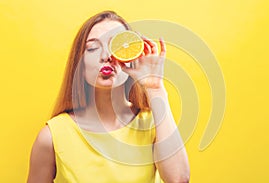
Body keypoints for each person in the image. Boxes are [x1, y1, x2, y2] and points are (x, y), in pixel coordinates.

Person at [27, 10, 190, 183]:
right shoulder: (52, 136)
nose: (106, 56)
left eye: (116, 47)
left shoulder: (153, 124)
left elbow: (179, 179)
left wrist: (155, 89)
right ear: (79, 64)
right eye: (93, 48)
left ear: (131, 58)